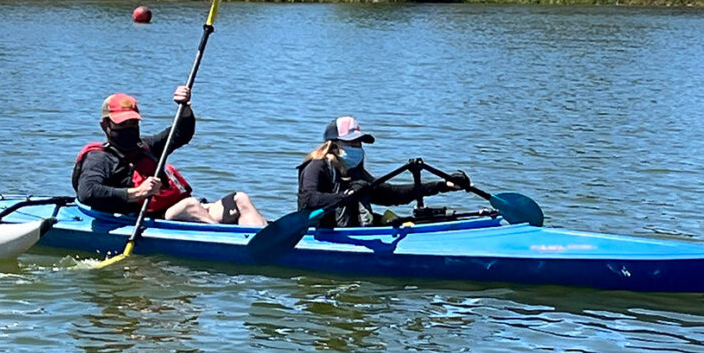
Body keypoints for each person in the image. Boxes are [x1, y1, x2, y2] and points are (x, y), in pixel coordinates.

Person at [72, 86, 266, 226]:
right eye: (122, 124)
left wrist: (185, 108)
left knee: (240, 199)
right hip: (151, 218)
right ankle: (228, 242)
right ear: (105, 126)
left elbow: (181, 133)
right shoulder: (99, 158)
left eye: (133, 123)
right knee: (189, 205)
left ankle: (269, 242)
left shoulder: (145, 146)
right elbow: (88, 192)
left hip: (182, 210)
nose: (129, 129)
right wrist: (137, 193)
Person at [297, 116, 469, 228]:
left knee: (393, 219)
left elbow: (392, 194)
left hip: (352, 230)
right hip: (323, 234)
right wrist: (345, 197)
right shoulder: (317, 166)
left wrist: (443, 185)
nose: (358, 148)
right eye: (352, 143)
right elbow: (308, 200)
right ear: (333, 144)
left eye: (359, 143)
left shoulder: (356, 174)